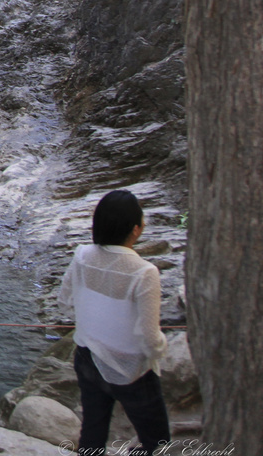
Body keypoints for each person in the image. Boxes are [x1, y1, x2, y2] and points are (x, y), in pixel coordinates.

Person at [58, 189, 170, 455]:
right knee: (158, 440)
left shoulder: (82, 256)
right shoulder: (145, 273)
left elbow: (64, 301)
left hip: (86, 357)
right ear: (135, 230)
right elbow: (149, 338)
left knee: (93, 432)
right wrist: (163, 349)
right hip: (131, 370)